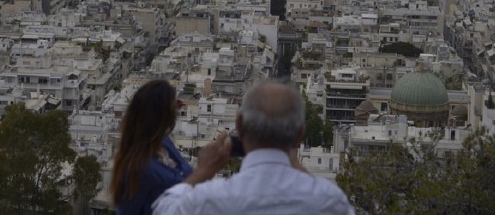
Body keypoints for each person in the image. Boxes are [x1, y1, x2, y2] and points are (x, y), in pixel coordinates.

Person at [153, 81, 354, 215]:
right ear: (299, 134)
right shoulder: (330, 202)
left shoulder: (209, 200)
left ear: (239, 126)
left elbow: (163, 209)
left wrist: (203, 171)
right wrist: (296, 165)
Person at [110, 80, 192, 215]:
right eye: (172, 102)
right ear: (161, 113)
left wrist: (171, 109)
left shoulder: (163, 142)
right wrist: (207, 168)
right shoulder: (138, 168)